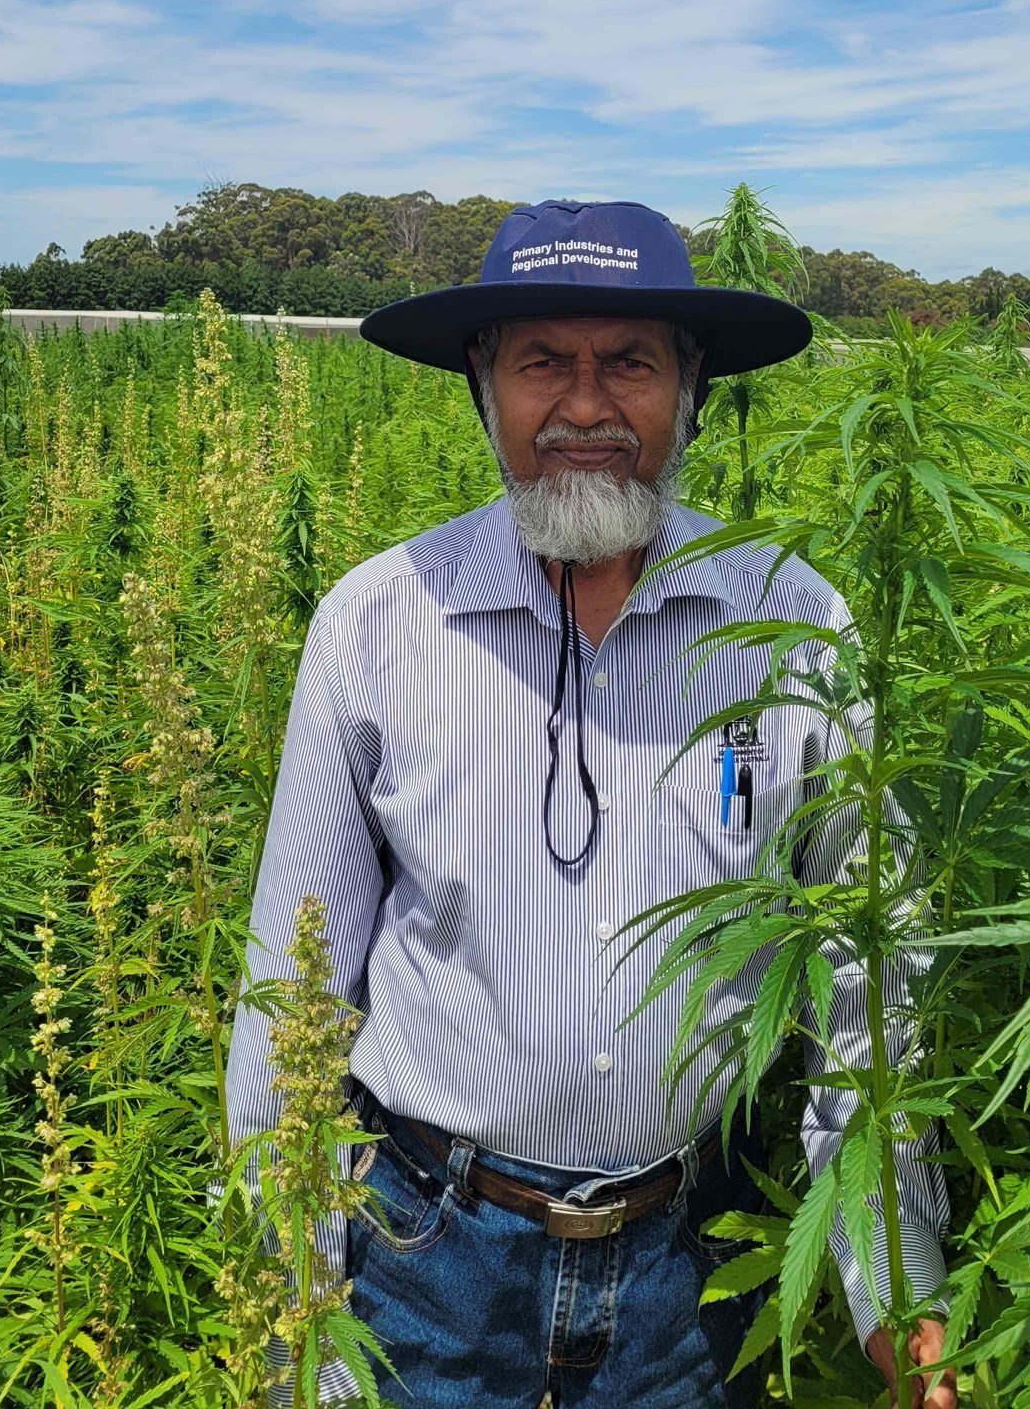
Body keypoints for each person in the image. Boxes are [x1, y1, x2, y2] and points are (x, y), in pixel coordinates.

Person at [222, 197, 955, 1407]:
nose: (584, 407)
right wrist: (292, 1318)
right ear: (482, 383)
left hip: (694, 1266)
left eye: (629, 363)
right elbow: (289, 993)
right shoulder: (377, 623)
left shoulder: (799, 626)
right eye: (541, 363)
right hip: (424, 1259)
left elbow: (867, 981)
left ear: (692, 385)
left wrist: (894, 1283)